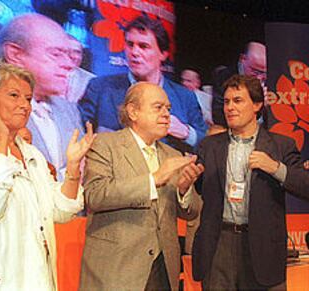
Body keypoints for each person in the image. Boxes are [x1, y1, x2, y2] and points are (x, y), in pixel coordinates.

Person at [192, 74, 309, 290]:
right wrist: (186, 185)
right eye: (227, 101)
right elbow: (201, 188)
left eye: (238, 100)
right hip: (218, 244)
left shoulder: (281, 145)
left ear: (257, 105)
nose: (230, 107)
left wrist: (276, 168)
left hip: (261, 246)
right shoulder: (209, 146)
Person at [79, 82, 203, 290]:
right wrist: (153, 179)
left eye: (169, 109)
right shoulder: (105, 145)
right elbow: (95, 195)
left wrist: (184, 191)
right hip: (118, 269)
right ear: (133, 111)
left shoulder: (173, 155)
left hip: (163, 268)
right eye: (158, 107)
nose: (167, 115)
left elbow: (192, 212)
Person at [0, 63, 95, 290]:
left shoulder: (32, 153)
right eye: (14, 95)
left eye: (28, 99)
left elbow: (60, 211)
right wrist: (1, 138)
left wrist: (72, 167)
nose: (24, 105)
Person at [78, 15, 207, 152]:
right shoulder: (100, 88)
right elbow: (78, 133)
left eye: (143, 46)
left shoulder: (185, 97)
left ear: (163, 54)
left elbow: (206, 142)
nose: (134, 52)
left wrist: (186, 132)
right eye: (130, 44)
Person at [0, 13, 85, 180]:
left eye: (68, 55)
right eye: (56, 54)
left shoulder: (68, 108)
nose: (68, 64)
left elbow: (84, 169)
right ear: (16, 55)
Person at [212, 41, 267, 128]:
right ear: (242, 59)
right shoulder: (223, 78)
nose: (259, 78)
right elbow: (219, 117)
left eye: (264, 73)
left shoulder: (270, 80)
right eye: (255, 72)